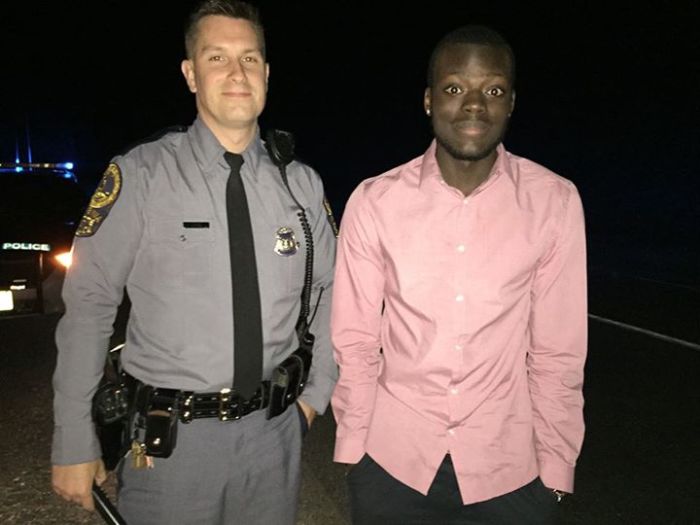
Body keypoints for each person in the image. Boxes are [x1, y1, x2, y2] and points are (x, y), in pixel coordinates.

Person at [51, 1, 337, 523]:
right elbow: (89, 304)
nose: (236, 73)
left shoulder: (301, 184)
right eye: (217, 58)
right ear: (190, 74)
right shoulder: (142, 175)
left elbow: (331, 294)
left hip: (274, 438)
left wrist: (313, 398)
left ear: (267, 74)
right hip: (171, 448)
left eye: (250, 59)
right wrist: (73, 437)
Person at [331, 25, 587, 524]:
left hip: (510, 473)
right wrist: (354, 451)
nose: (474, 104)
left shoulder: (555, 203)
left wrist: (556, 473)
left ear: (511, 102)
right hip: (392, 467)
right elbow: (356, 341)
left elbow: (559, 352)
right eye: (454, 88)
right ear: (429, 101)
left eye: (492, 90)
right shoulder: (374, 202)